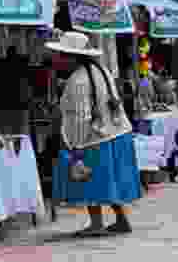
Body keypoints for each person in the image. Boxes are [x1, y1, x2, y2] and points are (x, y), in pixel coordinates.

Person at [46, 30, 140, 238]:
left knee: (91, 180)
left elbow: (82, 118)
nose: (56, 60)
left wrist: (76, 149)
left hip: (95, 137)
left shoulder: (78, 81)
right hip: (117, 132)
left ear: (70, 57)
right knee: (110, 181)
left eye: (60, 56)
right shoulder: (101, 70)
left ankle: (96, 223)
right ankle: (121, 218)